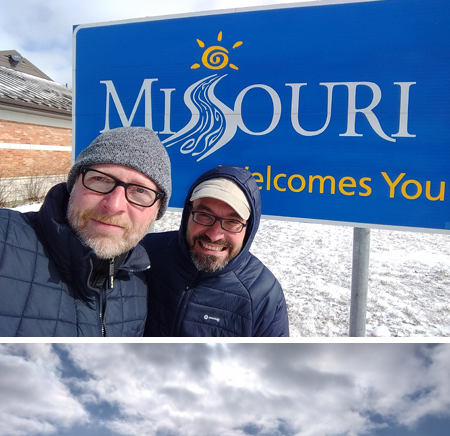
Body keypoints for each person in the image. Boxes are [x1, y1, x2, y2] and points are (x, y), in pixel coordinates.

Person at [0, 126, 171, 337]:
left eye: (140, 191)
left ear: (156, 211)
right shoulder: (6, 239)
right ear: (74, 185)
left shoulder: (138, 282)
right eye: (100, 179)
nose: (114, 204)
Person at [144, 165, 289, 337]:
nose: (214, 235)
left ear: (249, 228)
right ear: (188, 213)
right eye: (204, 215)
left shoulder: (263, 295)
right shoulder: (145, 256)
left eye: (232, 222)